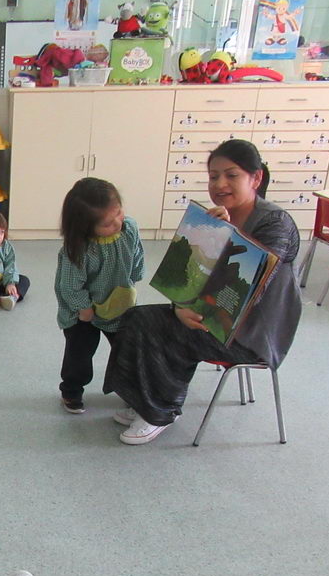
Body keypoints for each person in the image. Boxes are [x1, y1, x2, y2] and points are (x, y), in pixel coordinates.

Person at [104, 138, 302, 444]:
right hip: (212, 313)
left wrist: (227, 235)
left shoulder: (276, 223)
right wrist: (179, 306)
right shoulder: (221, 216)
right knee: (134, 318)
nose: (219, 184)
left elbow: (249, 287)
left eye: (231, 175)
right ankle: (143, 400)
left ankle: (161, 412)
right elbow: (191, 273)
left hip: (249, 333)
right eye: (213, 176)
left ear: (256, 178)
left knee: (167, 331)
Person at [56, 178, 145, 414]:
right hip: (84, 312)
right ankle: (72, 390)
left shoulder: (129, 229)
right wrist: (84, 308)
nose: (117, 222)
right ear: (85, 228)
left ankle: (129, 389)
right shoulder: (78, 249)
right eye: (107, 223)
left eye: (118, 212)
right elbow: (70, 285)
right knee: (80, 354)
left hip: (119, 302)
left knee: (127, 349)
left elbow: (136, 255)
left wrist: (134, 278)